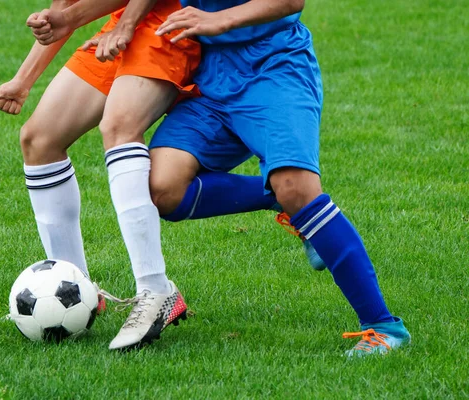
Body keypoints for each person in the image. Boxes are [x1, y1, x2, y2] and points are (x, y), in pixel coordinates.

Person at [140, 0, 410, 357]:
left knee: (297, 187)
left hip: (274, 66)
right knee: (163, 188)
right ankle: (280, 200)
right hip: (209, 79)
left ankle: (383, 325)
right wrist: (72, 17)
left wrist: (217, 20)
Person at [0, 0, 201, 350]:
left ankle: (155, 288)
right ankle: (77, 287)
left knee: (119, 126)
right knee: (39, 139)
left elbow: (69, 14)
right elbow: (64, 9)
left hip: (172, 22)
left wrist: (101, 20)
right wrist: (23, 80)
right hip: (124, 22)